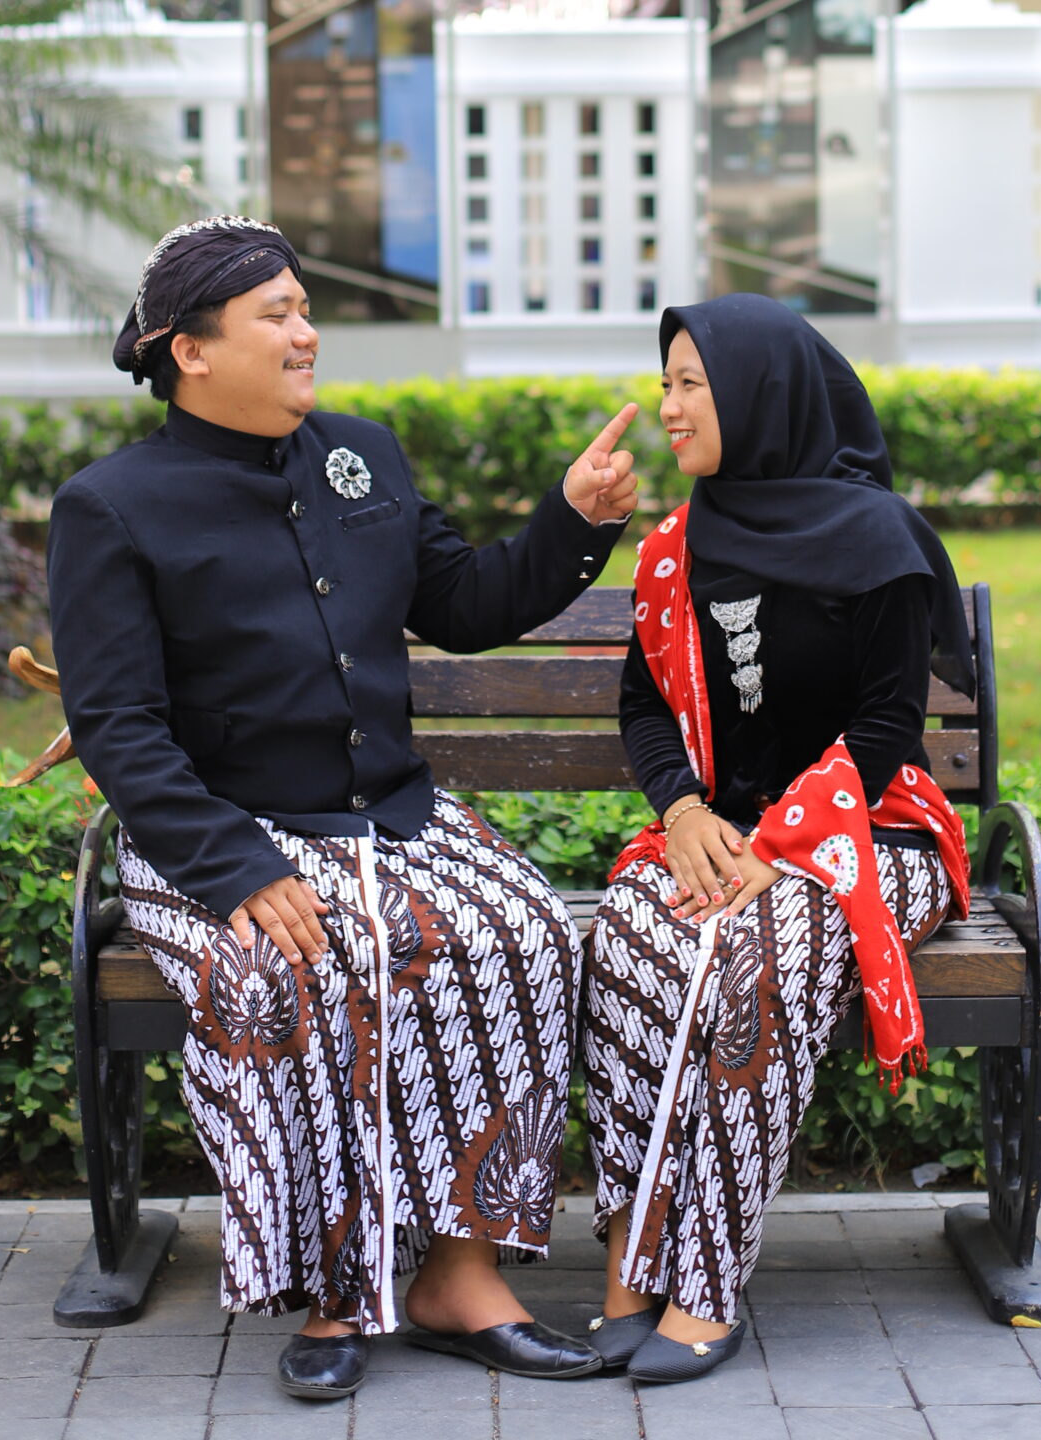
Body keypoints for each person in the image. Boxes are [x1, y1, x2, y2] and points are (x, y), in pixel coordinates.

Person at [48, 217, 640, 1399]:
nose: (306, 332)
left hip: (390, 817)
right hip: (218, 835)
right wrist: (237, 870)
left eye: (305, 309)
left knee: (522, 932)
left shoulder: (361, 455)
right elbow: (119, 726)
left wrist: (574, 521)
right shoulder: (110, 507)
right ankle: (332, 1290)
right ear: (190, 351)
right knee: (294, 963)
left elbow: (462, 603)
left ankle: (460, 1277)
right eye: (276, 314)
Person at [580, 292, 974, 1385]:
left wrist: (779, 846)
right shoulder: (676, 547)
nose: (668, 407)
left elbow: (889, 727)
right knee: (631, 938)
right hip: (720, 832)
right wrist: (683, 812)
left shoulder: (878, 539)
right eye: (665, 382)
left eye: (690, 384)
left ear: (761, 393)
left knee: (759, 960)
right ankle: (631, 1258)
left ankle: (707, 1281)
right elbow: (644, 708)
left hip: (871, 827)